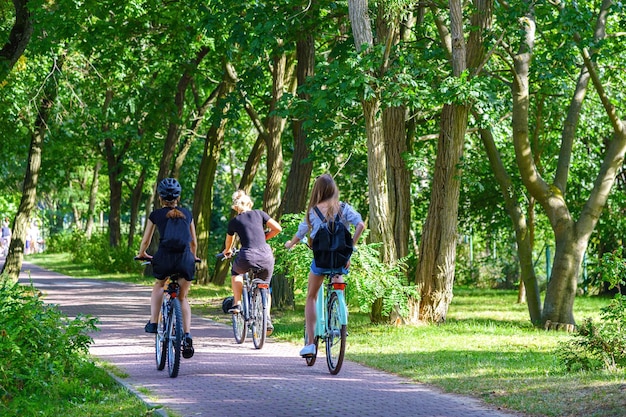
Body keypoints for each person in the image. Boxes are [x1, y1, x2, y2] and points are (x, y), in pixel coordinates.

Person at [284, 174, 365, 357]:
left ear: (317, 191)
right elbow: (360, 224)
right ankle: (339, 313)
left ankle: (311, 344)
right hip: (340, 261)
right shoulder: (344, 208)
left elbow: (301, 232)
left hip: (321, 261)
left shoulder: (313, 211)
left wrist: (290, 244)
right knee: (338, 279)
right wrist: (350, 247)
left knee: (311, 297)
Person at [136, 178, 199, 358]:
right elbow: (193, 242)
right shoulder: (187, 214)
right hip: (185, 259)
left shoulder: (156, 215)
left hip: (164, 258)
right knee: (182, 297)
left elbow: (146, 240)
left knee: (159, 284)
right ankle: (186, 335)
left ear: (160, 198)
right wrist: (193, 257)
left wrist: (142, 253)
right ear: (178, 197)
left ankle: (154, 322)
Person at [222, 190, 282, 335]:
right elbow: (278, 228)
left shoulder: (234, 222)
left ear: (236, 207)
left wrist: (228, 251)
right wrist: (265, 237)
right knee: (265, 287)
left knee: (236, 272)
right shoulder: (260, 213)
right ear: (250, 203)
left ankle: (237, 303)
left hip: (247, 255)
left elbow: (229, 242)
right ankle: (266, 318)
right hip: (266, 256)